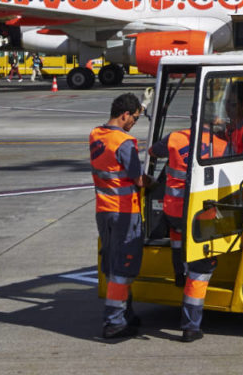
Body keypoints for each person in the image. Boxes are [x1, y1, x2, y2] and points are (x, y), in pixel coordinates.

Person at [150, 113, 227, 342]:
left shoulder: (175, 137)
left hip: (173, 210)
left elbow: (154, 151)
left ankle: (178, 271)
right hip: (200, 213)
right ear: (213, 122)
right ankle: (191, 326)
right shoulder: (221, 145)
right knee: (201, 270)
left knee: (176, 233)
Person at [90, 93, 146, 339]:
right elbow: (138, 178)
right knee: (124, 267)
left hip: (104, 210)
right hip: (125, 211)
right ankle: (114, 321)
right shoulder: (124, 142)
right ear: (125, 114)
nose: (134, 122)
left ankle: (125, 313)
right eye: (134, 118)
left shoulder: (96, 135)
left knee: (114, 262)